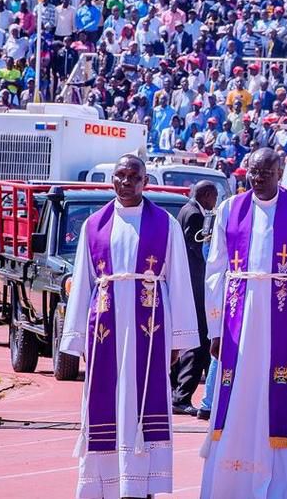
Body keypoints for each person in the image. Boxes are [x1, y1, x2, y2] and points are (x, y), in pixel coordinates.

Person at [61, 154, 199, 499]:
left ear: (145, 181)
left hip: (149, 327)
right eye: (119, 176)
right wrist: (77, 338)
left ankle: (143, 483)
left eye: (133, 177)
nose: (125, 182)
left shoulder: (165, 224)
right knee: (106, 400)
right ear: (112, 180)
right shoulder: (94, 224)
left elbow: (179, 280)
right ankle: (105, 483)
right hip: (105, 327)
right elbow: (83, 281)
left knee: (144, 400)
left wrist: (178, 340)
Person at [199, 148, 287, 498]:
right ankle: (231, 483)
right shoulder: (230, 209)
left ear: (279, 172)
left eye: (265, 172)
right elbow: (216, 270)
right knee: (236, 393)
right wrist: (215, 328)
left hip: (283, 318)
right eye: (253, 172)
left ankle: (281, 486)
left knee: (279, 397)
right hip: (238, 317)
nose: (258, 179)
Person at [171, 181, 219, 416]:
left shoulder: (186, 210)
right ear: (207, 195)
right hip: (195, 286)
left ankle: (179, 392)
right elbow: (197, 250)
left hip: (191, 285)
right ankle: (181, 396)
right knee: (198, 341)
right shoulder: (193, 215)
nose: (215, 202)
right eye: (215, 197)